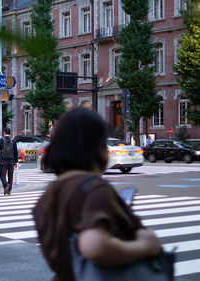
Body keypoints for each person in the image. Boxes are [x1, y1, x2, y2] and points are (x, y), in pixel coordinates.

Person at [33, 108, 162, 281]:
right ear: (97, 148)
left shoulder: (48, 195)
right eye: (104, 144)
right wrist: (145, 246)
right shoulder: (93, 188)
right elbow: (95, 246)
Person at [0, 127, 18, 195]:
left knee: (2, 175)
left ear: (4, 133)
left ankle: (6, 185)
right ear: (10, 133)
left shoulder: (0, 140)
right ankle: (9, 190)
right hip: (11, 161)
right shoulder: (13, 141)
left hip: (3, 160)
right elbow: (15, 152)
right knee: (10, 175)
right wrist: (16, 162)